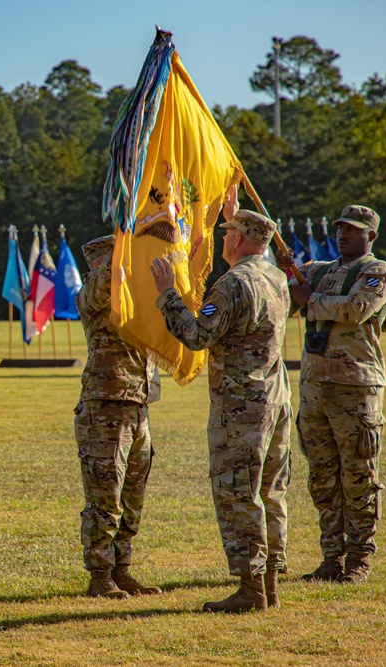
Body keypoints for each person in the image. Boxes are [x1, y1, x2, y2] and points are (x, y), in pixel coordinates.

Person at [150, 192, 292, 612]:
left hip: (241, 406)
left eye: (228, 232)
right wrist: (237, 217)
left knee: (237, 492)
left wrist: (167, 293)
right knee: (269, 492)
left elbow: (197, 336)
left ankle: (250, 590)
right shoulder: (274, 277)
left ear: (242, 239)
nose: (223, 238)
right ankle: (269, 585)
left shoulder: (233, 283)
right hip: (275, 398)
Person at [277, 205, 386, 584]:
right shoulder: (322, 270)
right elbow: (288, 290)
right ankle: (330, 556)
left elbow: (358, 309)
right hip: (315, 389)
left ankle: (358, 560)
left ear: (371, 236)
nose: (345, 234)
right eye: (341, 228)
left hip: (356, 389)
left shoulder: (378, 272)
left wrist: (309, 299)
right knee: (323, 478)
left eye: (354, 229)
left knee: (358, 477)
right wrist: (285, 267)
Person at [73, 235, 162, 600]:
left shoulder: (132, 300)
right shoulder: (93, 292)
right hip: (105, 408)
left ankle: (122, 568)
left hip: (137, 406)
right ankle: (100, 575)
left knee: (132, 497)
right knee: (104, 496)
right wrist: (129, 234)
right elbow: (113, 273)